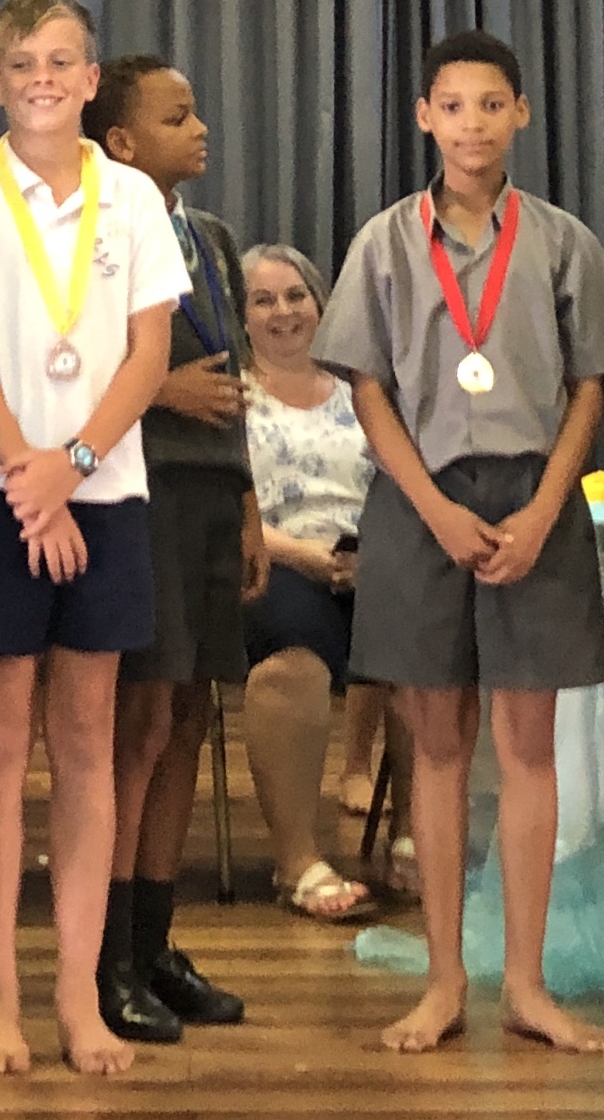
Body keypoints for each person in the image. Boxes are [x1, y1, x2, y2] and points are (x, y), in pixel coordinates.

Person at [313, 30, 604, 1057]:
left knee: (527, 745)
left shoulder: (561, 240)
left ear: (521, 114)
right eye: (452, 106)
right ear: (424, 117)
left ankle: (527, 983)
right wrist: (432, 507)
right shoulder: (384, 242)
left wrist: (544, 509)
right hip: (421, 500)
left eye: (491, 104)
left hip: (534, 495)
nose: (472, 124)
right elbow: (366, 388)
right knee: (438, 744)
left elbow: (591, 387)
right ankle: (445, 978)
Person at [0, 0, 186, 1080]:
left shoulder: (133, 197)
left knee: (87, 741)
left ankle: (79, 991)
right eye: (22, 62)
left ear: (90, 80)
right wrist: (29, 478)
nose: (42, 77)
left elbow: (148, 352)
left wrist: (70, 467)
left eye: (62, 60)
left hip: (103, 490)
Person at [83, 51, 260, 1039]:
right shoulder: (95, 234)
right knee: (139, 720)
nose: (199, 129)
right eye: (176, 116)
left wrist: (249, 502)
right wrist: (163, 389)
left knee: (190, 713)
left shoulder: (213, 236)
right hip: (138, 489)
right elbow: (67, 363)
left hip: (210, 496)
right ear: (119, 141)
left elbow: (236, 383)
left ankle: (154, 939)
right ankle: (106, 954)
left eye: (195, 113)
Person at [233, 244, 382, 924]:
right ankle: (297, 861)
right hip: (268, 562)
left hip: (366, 563)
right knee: (294, 656)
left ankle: (412, 835)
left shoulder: (361, 395)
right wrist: (303, 555)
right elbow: (221, 510)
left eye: (295, 295)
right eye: (262, 300)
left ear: (321, 304)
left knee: (427, 638)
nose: (282, 312)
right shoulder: (230, 398)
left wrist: (372, 555)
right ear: (241, 317)